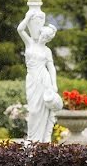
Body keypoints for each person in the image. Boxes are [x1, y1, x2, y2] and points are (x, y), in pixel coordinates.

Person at [17, 11, 62, 143]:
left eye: (47, 38)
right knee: (34, 111)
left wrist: (54, 84)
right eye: (43, 35)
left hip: (44, 79)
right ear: (41, 33)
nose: (44, 38)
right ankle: (32, 139)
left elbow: (51, 68)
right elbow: (20, 29)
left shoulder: (47, 51)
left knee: (45, 110)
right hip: (32, 79)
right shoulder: (30, 43)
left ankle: (43, 140)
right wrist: (27, 17)